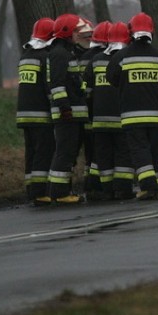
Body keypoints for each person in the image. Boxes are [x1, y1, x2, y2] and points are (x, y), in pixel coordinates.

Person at [106, 12, 158, 201]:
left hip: (132, 116)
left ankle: (148, 187)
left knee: (139, 150)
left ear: (130, 31)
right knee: (154, 151)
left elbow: (112, 78)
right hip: (155, 116)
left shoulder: (121, 57)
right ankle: (155, 185)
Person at [44, 13, 89, 204]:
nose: (79, 35)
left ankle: (61, 190)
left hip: (73, 114)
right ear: (67, 32)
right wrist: (65, 108)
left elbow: (73, 83)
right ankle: (60, 192)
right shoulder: (59, 55)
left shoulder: (65, 53)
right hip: (67, 115)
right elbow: (57, 84)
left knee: (68, 153)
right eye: (77, 31)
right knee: (64, 153)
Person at [88, 21, 136, 200]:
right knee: (124, 153)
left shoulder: (96, 59)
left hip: (99, 120)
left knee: (103, 155)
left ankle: (107, 190)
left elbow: (87, 87)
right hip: (121, 118)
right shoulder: (127, 58)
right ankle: (123, 189)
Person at [16, 17, 56, 205]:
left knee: (31, 152)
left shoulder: (25, 57)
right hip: (41, 115)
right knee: (43, 152)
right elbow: (48, 87)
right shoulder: (45, 58)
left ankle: (31, 190)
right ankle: (41, 193)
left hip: (24, 115)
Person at [78, 20, 110, 197]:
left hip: (86, 112)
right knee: (101, 151)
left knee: (90, 152)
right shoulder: (106, 58)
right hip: (103, 112)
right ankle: (97, 186)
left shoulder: (82, 57)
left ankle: (88, 184)